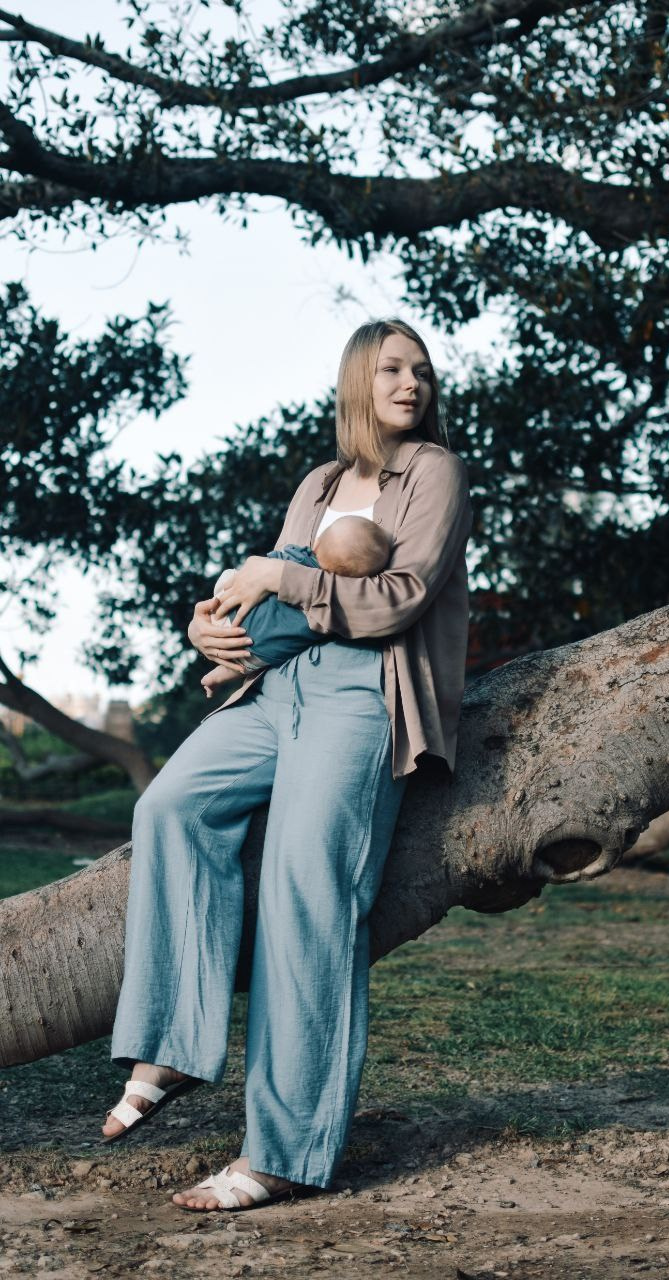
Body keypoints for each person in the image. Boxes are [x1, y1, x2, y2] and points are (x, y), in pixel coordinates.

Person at [102, 318, 473, 1213]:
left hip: (361, 691)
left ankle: (282, 1153)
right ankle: (175, 1046)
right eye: (391, 368)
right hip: (277, 686)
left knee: (307, 893)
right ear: (356, 380)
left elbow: (398, 600)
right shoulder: (318, 482)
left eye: (421, 371)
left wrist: (278, 576)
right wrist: (213, 633)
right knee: (171, 809)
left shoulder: (434, 473)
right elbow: (273, 599)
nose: (410, 383)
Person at [201, 516, 393, 696]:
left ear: (317, 543)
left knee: (235, 576)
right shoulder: (325, 607)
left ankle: (218, 605)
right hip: (250, 650)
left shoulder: (298, 556)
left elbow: (267, 562)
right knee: (267, 653)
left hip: (226, 611)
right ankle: (218, 675)